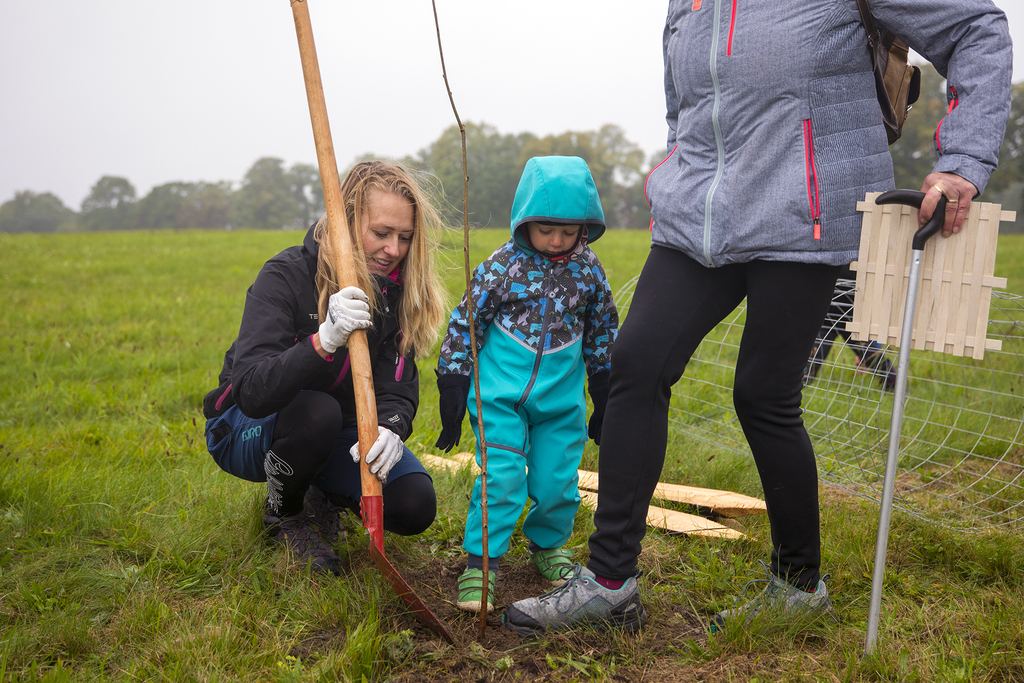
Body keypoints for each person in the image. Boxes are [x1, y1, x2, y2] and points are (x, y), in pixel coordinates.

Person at [503, 0, 1011, 636]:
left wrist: (964, 160)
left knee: (763, 395)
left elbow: (976, 27)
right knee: (635, 364)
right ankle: (610, 583)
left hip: (805, 213)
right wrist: (673, 170)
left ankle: (798, 583)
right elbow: (684, 107)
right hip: (698, 217)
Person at [202, 161, 448, 575]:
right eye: (381, 233)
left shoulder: (395, 291)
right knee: (317, 412)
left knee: (413, 504)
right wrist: (324, 340)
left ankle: (323, 494)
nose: (394, 250)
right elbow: (252, 393)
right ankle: (284, 514)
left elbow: (398, 386)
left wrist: (391, 426)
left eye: (405, 237)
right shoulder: (285, 276)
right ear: (345, 220)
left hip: (336, 432)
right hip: (245, 426)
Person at [435, 156, 618, 613]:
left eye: (568, 230)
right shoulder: (501, 266)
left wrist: (605, 394)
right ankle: (481, 564)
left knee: (557, 479)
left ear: (585, 227)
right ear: (525, 222)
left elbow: (602, 331)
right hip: (500, 398)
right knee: (502, 477)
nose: (556, 240)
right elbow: (465, 322)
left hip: (561, 400)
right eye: (545, 229)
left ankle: (548, 545)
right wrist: (454, 383)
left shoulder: (589, 271)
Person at [804, 267, 897, 391]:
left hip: (838, 275)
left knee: (828, 326)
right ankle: (890, 377)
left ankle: (804, 374)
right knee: (846, 328)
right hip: (854, 276)